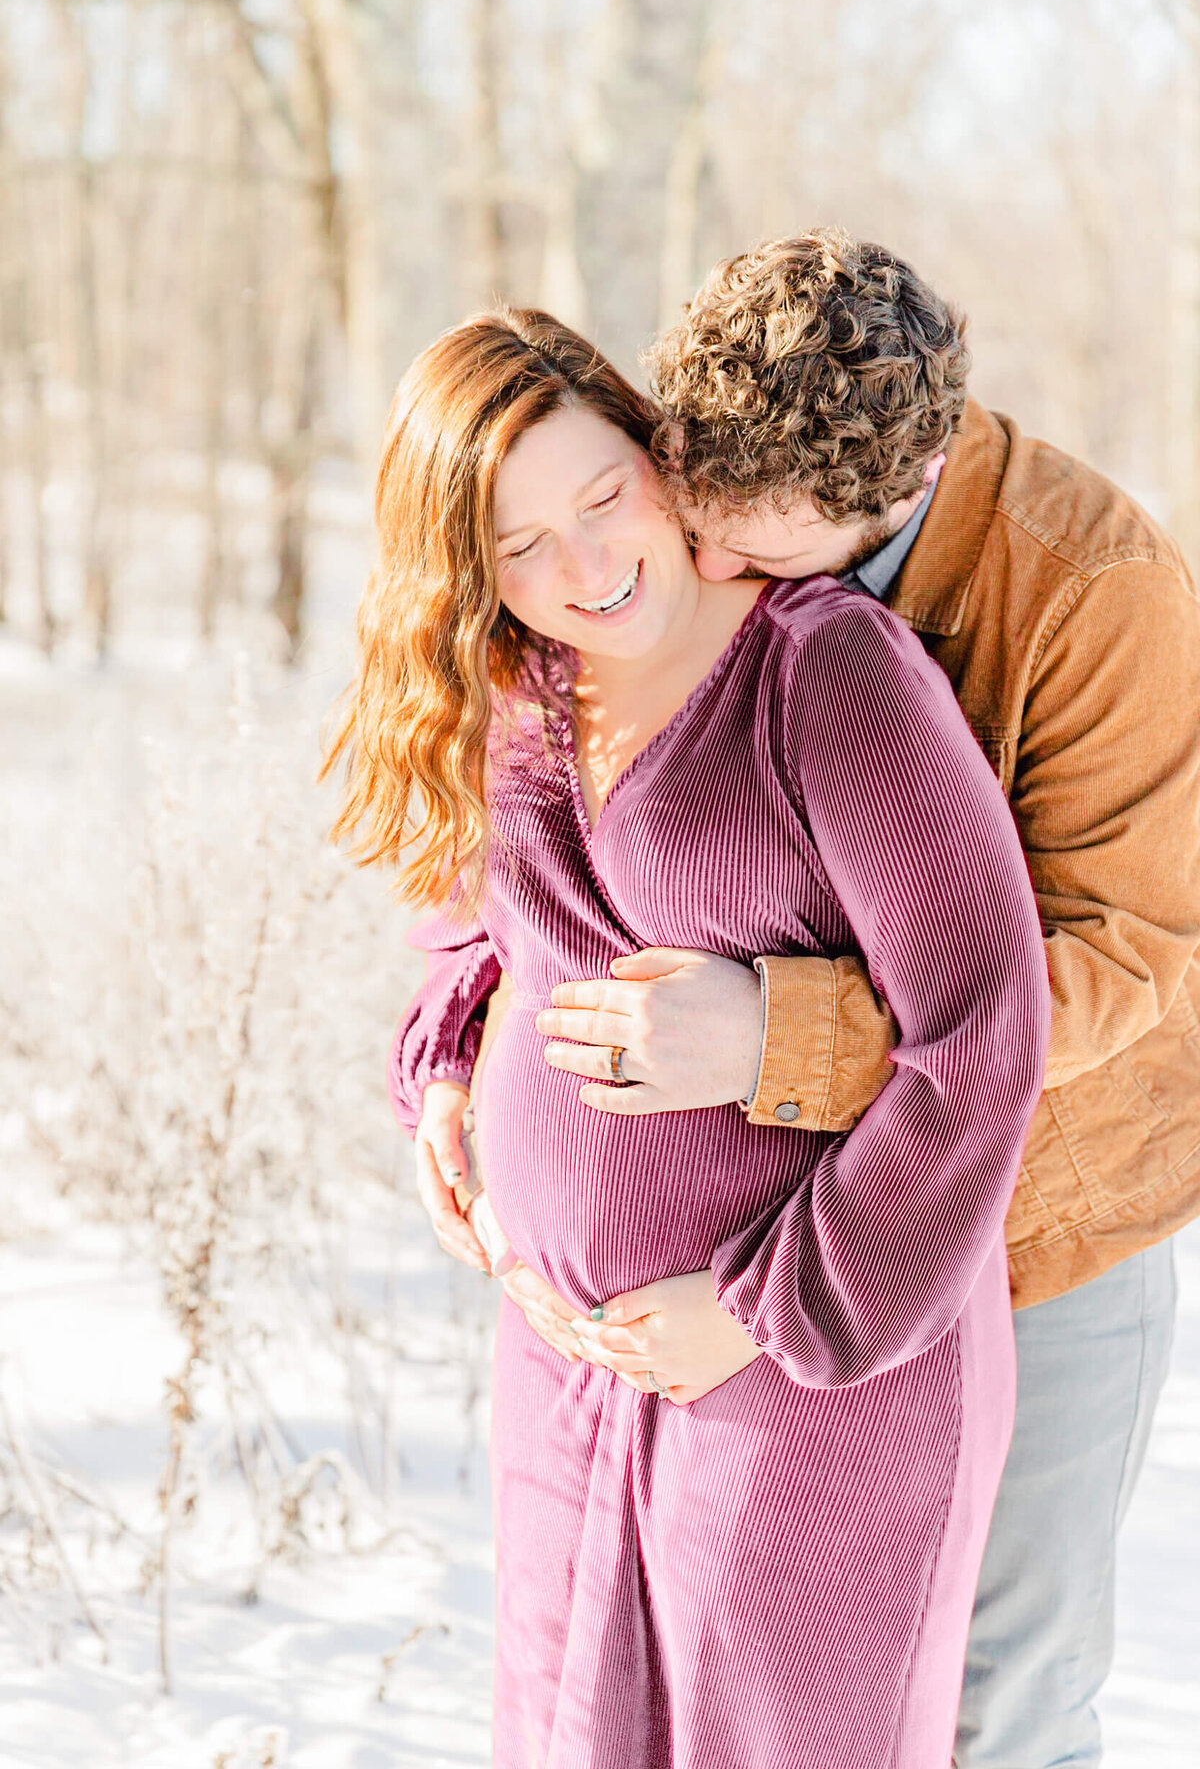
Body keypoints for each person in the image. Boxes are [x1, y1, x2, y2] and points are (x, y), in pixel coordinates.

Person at [444, 233, 1199, 1768]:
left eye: (751, 549)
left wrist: (778, 1036)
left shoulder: (1088, 587)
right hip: (775, 1249)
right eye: (685, 500)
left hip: (1051, 1209)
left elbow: (1128, 949)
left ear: (890, 490)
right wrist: (461, 1056)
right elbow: (537, 888)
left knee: (998, 1696)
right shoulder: (717, 485)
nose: (691, 563)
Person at [327, 305, 1049, 1767]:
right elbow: (477, 938)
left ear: (662, 455)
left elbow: (986, 1031)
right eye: (520, 545)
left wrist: (759, 1311)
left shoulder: (825, 676)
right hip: (571, 1371)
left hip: (805, 1370)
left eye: (603, 497)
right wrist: (450, 1083)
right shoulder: (524, 694)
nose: (585, 570)